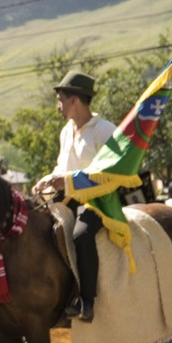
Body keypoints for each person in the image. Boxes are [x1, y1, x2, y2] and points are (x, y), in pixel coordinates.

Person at [35, 70, 116, 322]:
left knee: (81, 234)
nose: (58, 106)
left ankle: (86, 302)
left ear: (75, 101)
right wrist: (48, 179)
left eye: (60, 99)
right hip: (67, 197)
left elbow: (108, 174)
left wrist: (66, 180)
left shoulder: (106, 131)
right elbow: (62, 167)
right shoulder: (65, 132)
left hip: (98, 200)